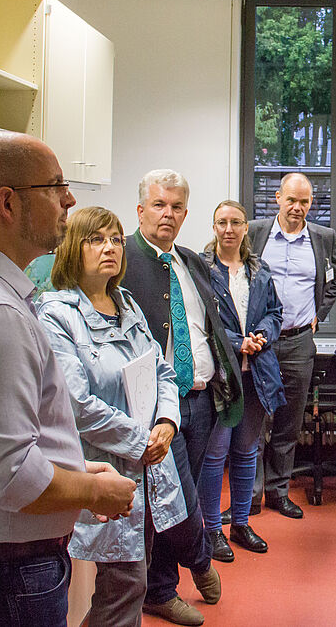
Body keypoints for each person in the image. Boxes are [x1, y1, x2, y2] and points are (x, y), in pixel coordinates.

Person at [0, 131, 136, 627]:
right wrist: (93, 492)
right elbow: (12, 475)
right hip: (2, 573)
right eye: (55, 185)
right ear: (8, 203)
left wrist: (81, 476)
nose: (70, 199)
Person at [37, 207, 187, 627]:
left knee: (129, 589)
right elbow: (77, 404)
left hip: (152, 462)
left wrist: (167, 423)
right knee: (124, 588)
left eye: (117, 239)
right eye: (96, 239)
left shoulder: (128, 304)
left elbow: (162, 370)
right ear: (73, 248)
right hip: (106, 466)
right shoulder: (56, 315)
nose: (110, 248)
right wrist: (143, 441)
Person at [122, 169, 243, 626]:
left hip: (200, 401)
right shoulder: (124, 259)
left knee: (179, 494)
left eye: (176, 207)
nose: (167, 214)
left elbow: (210, 327)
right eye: (158, 205)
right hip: (155, 408)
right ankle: (191, 568)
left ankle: (163, 585)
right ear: (140, 210)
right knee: (171, 500)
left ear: (186, 213)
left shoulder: (191, 262)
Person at [247, 172, 336, 519]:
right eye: (291, 200)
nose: (297, 208)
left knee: (289, 424)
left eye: (304, 202)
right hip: (261, 343)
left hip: (300, 341)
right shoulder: (255, 233)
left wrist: (320, 312)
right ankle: (251, 497)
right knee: (256, 423)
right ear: (277, 198)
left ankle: (278, 491)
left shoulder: (322, 238)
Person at [198, 200, 285, 563]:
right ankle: (213, 529)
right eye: (222, 222)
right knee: (216, 452)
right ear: (214, 227)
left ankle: (241, 522)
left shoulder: (259, 270)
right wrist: (237, 343)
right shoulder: (202, 270)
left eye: (236, 222)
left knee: (247, 450)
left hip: (256, 375)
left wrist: (262, 335)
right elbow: (201, 320)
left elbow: (274, 313)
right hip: (221, 375)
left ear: (246, 228)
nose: (229, 229)